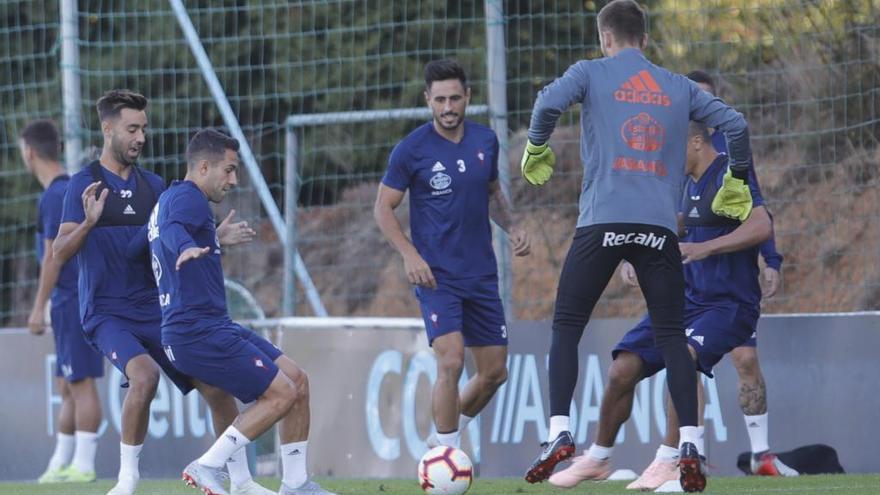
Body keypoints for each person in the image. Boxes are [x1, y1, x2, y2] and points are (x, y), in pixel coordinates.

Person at [519, 1, 757, 491]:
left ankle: (559, 432)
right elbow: (736, 125)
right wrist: (735, 178)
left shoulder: (590, 72)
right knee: (672, 335)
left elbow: (545, 105)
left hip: (602, 221)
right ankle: (688, 440)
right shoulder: (677, 85)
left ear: (605, 38)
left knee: (567, 324)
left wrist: (537, 146)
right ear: (644, 40)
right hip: (656, 228)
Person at [54, 90, 269, 495]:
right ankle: (126, 482)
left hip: (156, 311)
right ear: (108, 128)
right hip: (106, 313)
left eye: (144, 129)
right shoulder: (83, 184)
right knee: (145, 375)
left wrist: (214, 238)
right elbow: (59, 251)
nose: (140, 137)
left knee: (216, 385)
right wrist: (88, 223)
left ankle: (240, 482)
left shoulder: (154, 186)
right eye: (132, 128)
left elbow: (167, 238)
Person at [149, 129, 334, 495]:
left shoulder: (172, 198)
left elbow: (171, 231)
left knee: (296, 380)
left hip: (204, 325)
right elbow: (173, 230)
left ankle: (295, 484)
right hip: (197, 329)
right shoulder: (188, 200)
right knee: (281, 394)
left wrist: (212, 238)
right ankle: (207, 466)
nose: (234, 180)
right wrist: (186, 245)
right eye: (229, 170)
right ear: (203, 166)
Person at [373, 59, 531, 451]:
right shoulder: (411, 149)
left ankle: (442, 436)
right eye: (440, 99)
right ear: (428, 100)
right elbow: (382, 208)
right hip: (436, 276)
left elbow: (491, 192)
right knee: (451, 360)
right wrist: (410, 255)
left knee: (495, 372)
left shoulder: (485, 141)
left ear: (468, 97)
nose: (448, 107)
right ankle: (446, 455)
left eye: (455, 98)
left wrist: (512, 227)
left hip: (480, 273)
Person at [685, 69, 790, 477]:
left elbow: (758, 211)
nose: (701, 107)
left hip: (732, 281)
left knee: (745, 359)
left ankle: (761, 455)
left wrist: (772, 259)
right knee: (685, 361)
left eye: (707, 100)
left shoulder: (732, 155)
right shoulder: (673, 155)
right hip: (689, 281)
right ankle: (688, 453)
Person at [21, 119, 105, 484]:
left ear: (29, 153)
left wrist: (39, 307)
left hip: (72, 300)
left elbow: (53, 256)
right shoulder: (61, 192)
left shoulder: (56, 195)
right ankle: (60, 463)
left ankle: (84, 466)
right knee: (66, 385)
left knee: (81, 383)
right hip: (71, 301)